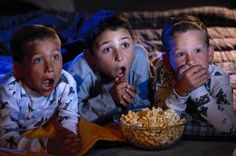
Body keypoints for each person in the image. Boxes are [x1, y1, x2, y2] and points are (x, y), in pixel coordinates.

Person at [0, 25, 79, 154]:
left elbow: (69, 118)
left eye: (55, 57)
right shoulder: (7, 92)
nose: (50, 67)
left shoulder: (66, 83)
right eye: (38, 60)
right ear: (19, 69)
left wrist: (68, 139)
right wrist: (46, 145)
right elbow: (5, 138)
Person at [152, 15, 236, 133]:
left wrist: (197, 90)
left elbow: (229, 126)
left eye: (197, 50)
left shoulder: (219, 78)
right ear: (167, 61)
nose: (191, 61)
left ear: (210, 54)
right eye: (180, 54)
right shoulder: (163, 70)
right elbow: (162, 122)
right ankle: (155, 58)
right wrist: (180, 91)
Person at [67, 10, 150, 124]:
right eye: (107, 49)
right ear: (91, 57)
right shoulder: (80, 69)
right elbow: (71, 119)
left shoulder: (138, 55)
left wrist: (131, 98)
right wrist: (110, 99)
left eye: (125, 45)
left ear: (133, 43)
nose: (120, 57)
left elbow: (144, 109)